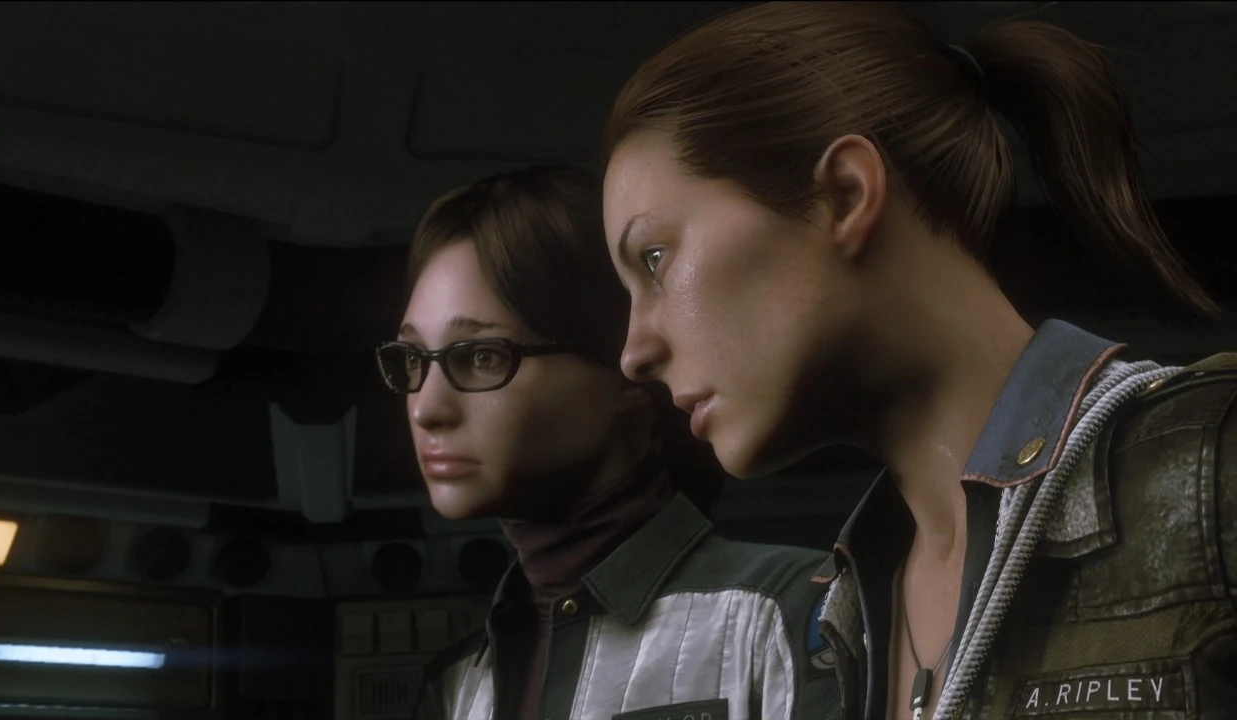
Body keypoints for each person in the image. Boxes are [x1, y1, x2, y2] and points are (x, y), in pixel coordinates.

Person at [598, 4, 1237, 720]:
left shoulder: (1216, 461)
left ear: (843, 195)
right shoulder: (843, 621)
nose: (633, 353)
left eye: (654, 257)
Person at [388, 165, 839, 720]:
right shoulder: (453, 689)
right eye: (413, 359)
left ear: (627, 363)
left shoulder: (791, 613)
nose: (426, 409)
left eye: (482, 356)